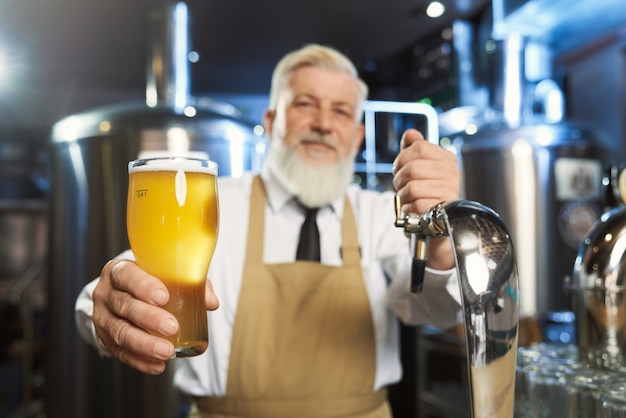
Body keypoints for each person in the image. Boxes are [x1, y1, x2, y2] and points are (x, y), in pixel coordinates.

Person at [75, 43, 463, 418]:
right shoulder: (211, 200)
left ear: (356, 137)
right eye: (305, 104)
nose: (323, 124)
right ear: (272, 121)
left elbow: (437, 309)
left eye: (341, 112)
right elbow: (119, 283)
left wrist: (444, 236)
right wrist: (109, 307)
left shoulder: (382, 214)